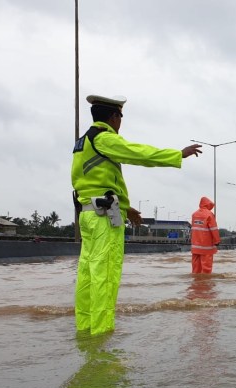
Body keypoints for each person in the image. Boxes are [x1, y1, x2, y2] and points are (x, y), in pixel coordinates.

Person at [72, 94, 202, 335]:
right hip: (102, 219)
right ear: (113, 117)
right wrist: (177, 154)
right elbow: (139, 153)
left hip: (89, 214)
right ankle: (101, 335)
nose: (121, 123)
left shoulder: (82, 142)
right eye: (120, 117)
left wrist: (125, 208)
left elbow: (93, 183)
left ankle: (85, 329)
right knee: (105, 275)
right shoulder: (104, 138)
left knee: (88, 275)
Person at [191, 196, 221, 274]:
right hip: (206, 246)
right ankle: (205, 284)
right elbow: (214, 229)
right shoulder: (209, 214)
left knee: (195, 269)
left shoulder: (194, 215)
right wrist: (217, 241)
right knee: (206, 269)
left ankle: (196, 284)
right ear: (208, 205)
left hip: (195, 247)